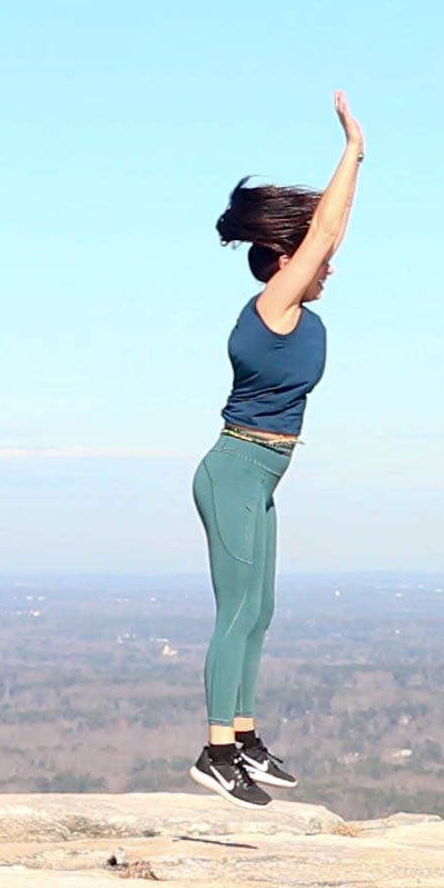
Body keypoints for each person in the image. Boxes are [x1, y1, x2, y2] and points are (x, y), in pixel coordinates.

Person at [188, 91, 364, 808]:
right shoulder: (270, 310)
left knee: (259, 611)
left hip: (263, 475)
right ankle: (215, 750)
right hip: (234, 467)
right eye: (315, 261)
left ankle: (246, 735)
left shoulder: (297, 307)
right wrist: (351, 149)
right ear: (285, 262)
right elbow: (322, 237)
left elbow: (333, 229)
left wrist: (354, 174)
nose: (330, 268)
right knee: (235, 612)